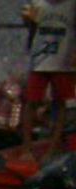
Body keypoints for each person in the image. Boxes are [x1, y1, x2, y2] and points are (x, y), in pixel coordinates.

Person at [21, 0, 76, 161]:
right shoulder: (37, 3)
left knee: (60, 103)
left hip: (63, 62)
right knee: (32, 101)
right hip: (39, 61)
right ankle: (26, 147)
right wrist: (28, 20)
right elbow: (31, 27)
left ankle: (53, 148)